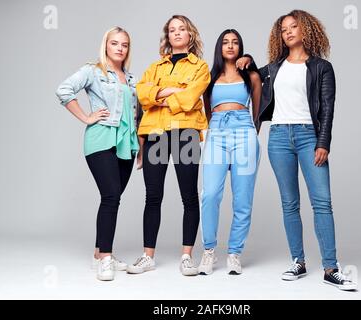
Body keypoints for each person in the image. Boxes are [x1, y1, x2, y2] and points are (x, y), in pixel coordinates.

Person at [239, 10, 357, 290]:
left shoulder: (321, 67)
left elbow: (327, 108)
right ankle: (298, 262)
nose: (288, 32)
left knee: (322, 203)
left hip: (308, 136)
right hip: (278, 137)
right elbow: (253, 78)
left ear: (306, 30)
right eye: (283, 29)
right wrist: (249, 60)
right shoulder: (274, 68)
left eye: (294, 27)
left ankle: (331, 268)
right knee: (289, 203)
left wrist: (323, 142)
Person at [126, 15, 210, 276]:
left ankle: (187, 256)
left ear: (190, 34)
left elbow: (190, 98)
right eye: (172, 30)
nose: (176, 33)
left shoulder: (200, 67)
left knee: (189, 196)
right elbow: (141, 93)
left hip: (185, 132)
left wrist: (158, 95)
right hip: (155, 132)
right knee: (153, 196)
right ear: (167, 36)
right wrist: (170, 92)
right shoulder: (154, 67)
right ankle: (147, 256)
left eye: (181, 29)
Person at [56, 27, 140, 281]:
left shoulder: (132, 79)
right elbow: (64, 90)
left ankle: (98, 254)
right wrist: (86, 117)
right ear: (106, 46)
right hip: (101, 139)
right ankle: (106, 257)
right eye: (114, 43)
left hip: (127, 143)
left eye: (124, 45)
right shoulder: (93, 71)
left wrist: (140, 145)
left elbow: (137, 114)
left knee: (113, 198)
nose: (119, 48)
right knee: (111, 195)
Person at [198, 29, 261, 275]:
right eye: (225, 42)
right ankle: (209, 251)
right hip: (217, 134)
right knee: (210, 194)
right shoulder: (210, 78)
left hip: (244, 133)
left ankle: (234, 253)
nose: (230, 46)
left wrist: (246, 132)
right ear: (219, 47)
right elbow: (207, 111)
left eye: (235, 42)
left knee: (242, 199)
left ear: (241, 47)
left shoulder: (251, 77)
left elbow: (257, 113)